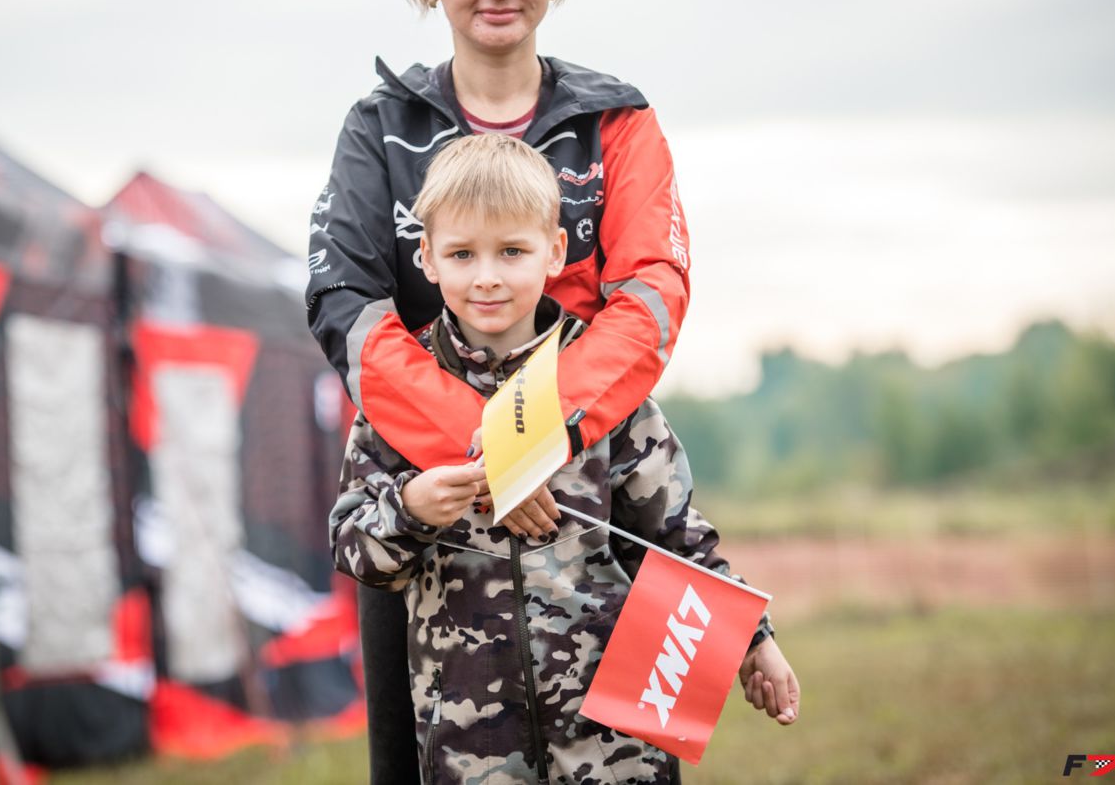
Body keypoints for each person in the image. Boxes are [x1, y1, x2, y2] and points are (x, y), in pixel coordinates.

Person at [305, 0, 787, 779]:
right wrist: (488, 458)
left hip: (593, 507)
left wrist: (535, 443)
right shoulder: (379, 128)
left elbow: (650, 296)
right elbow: (346, 308)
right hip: (435, 531)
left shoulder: (618, 121)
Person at [330, 134, 798, 784]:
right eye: (462, 254)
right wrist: (410, 508)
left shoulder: (602, 384)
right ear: (427, 258)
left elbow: (673, 535)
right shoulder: (398, 395)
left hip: (615, 747)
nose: (487, 276)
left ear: (553, 251)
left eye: (512, 251)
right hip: (471, 753)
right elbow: (355, 550)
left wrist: (753, 638)